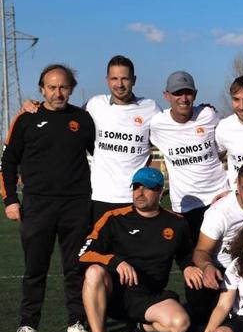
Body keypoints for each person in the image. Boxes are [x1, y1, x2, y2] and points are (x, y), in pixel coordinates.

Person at [3, 64, 96, 332]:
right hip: (37, 206)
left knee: (75, 268)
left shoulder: (83, 119)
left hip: (76, 205)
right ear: (42, 89)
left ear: (72, 88)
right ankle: (28, 325)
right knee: (35, 269)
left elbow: (103, 157)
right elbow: (8, 161)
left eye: (64, 87)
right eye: (52, 87)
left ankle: (76, 324)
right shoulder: (26, 119)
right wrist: (10, 200)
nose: (58, 92)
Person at [18, 55, 161, 222]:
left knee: (135, 249)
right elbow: (63, 115)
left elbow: (174, 131)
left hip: (135, 198)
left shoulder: (150, 108)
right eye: (114, 78)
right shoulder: (94, 105)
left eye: (125, 78)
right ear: (107, 80)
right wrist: (35, 105)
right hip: (99, 198)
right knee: (98, 249)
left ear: (134, 80)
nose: (119, 84)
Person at [79, 167, 194, 332]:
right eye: (136, 187)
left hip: (148, 297)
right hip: (113, 294)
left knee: (180, 324)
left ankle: (141, 327)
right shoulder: (114, 218)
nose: (140, 192)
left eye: (147, 188)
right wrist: (116, 261)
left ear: (160, 192)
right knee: (94, 272)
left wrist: (190, 266)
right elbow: (83, 255)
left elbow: (186, 256)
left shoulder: (177, 224)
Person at [148, 70, 227, 238]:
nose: (183, 99)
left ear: (195, 94)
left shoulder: (209, 115)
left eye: (188, 92)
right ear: (166, 96)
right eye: (177, 93)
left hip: (219, 198)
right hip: (186, 205)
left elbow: (225, 145)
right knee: (193, 258)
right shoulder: (157, 124)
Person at [189, 163, 243, 291]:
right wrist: (207, 267)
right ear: (237, 187)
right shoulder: (218, 213)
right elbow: (201, 251)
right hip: (222, 270)